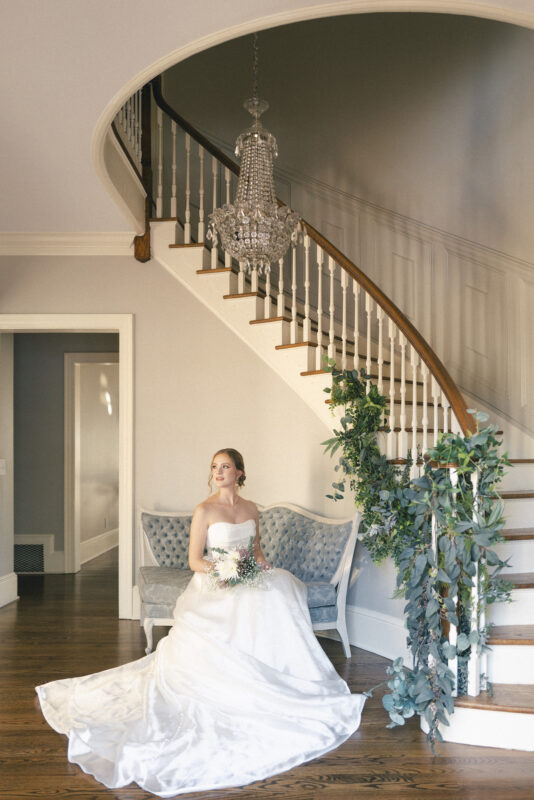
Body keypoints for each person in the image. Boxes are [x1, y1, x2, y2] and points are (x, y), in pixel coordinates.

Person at [36, 448, 365, 797]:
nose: (219, 472)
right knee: (245, 602)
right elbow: (195, 561)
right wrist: (227, 571)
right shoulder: (204, 509)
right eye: (214, 467)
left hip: (247, 575)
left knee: (277, 594)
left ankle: (274, 672)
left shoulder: (252, 508)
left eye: (226, 467)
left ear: (239, 472)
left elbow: (256, 554)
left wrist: (261, 568)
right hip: (216, 580)